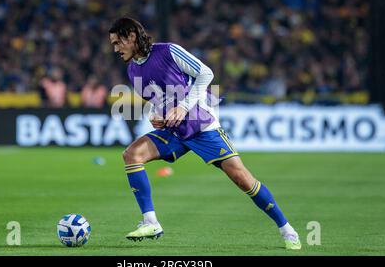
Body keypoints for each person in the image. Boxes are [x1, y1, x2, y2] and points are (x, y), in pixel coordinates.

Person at [108, 17, 301, 250]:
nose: (115, 49)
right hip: (174, 130)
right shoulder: (132, 70)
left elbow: (206, 74)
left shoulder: (168, 51)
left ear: (131, 37)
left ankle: (286, 229)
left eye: (118, 42)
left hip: (201, 124)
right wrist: (157, 115)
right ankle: (150, 221)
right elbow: (158, 99)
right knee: (132, 155)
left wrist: (183, 107)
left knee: (242, 179)